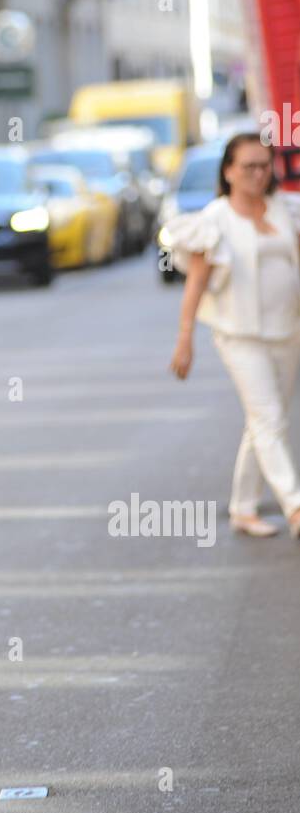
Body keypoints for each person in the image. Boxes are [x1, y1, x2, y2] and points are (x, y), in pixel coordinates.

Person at [167, 132, 300, 539]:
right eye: (248, 166)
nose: (258, 174)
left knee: (264, 423)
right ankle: (295, 505)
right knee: (269, 418)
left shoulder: (286, 210)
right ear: (228, 171)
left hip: (288, 331)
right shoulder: (213, 221)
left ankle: (243, 507)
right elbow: (197, 283)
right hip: (239, 335)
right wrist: (185, 338)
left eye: (264, 165)